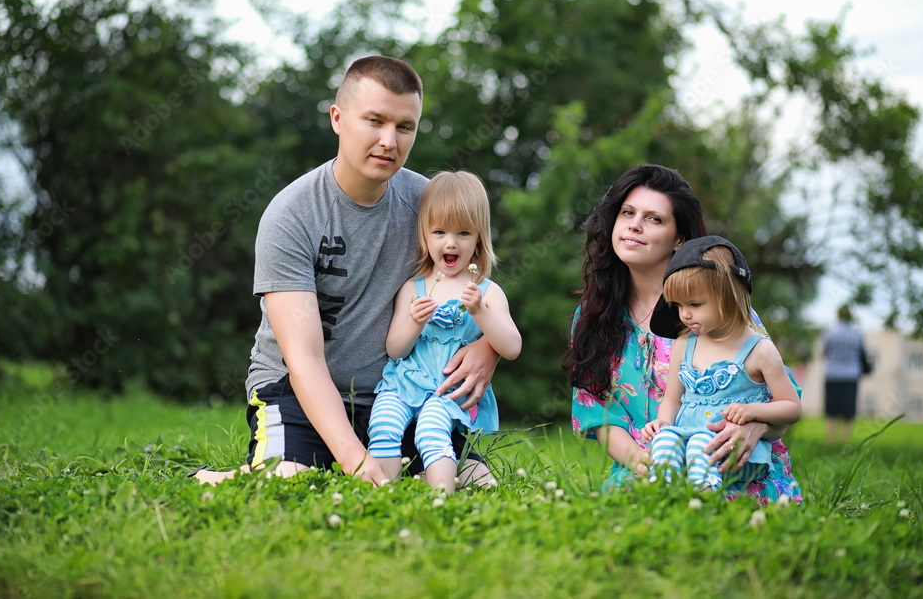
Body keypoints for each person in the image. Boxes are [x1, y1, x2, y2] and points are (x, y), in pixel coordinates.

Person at [192, 56, 500, 487]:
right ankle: (215, 479)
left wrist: (489, 346)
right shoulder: (291, 214)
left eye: (405, 127)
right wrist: (357, 460)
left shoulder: (428, 205)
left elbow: (475, 281)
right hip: (297, 389)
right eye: (374, 121)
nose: (388, 141)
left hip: (397, 395)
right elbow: (304, 358)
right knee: (290, 481)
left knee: (473, 482)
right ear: (338, 118)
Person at [564, 163, 803, 503]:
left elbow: (783, 398)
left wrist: (755, 426)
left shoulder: (721, 309)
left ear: (678, 239)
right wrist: (648, 467)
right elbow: (598, 412)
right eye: (627, 213)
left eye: (654, 218)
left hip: (730, 464)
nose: (634, 224)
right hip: (649, 466)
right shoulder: (593, 316)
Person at [368, 171, 521, 493]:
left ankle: (441, 497)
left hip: (448, 390)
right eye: (439, 232)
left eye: (463, 232)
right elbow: (395, 350)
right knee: (383, 425)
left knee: (431, 430)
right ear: (424, 235)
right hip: (404, 382)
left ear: (479, 237)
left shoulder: (486, 291)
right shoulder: (413, 288)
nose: (450, 242)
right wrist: (414, 322)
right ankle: (385, 493)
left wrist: (480, 313)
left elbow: (512, 347)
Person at [641, 236, 802, 489]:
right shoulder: (684, 345)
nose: (685, 314)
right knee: (665, 439)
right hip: (690, 437)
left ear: (728, 296)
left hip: (736, 450)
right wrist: (663, 423)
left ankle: (704, 496)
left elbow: (792, 407)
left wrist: (752, 412)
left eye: (695, 304)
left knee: (698, 444)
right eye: (679, 305)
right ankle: (663, 491)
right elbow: (672, 399)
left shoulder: (759, 351)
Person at [822, 304, 869, 444]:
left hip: (832, 374)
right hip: (851, 375)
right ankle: (845, 441)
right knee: (848, 411)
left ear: (838, 315)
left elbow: (824, 351)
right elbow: (864, 353)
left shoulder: (830, 333)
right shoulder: (856, 334)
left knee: (832, 410)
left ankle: (830, 441)